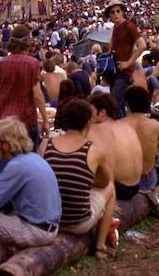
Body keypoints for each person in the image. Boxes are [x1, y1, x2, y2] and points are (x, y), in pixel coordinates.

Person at [0, 117, 61, 273]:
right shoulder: (33, 158)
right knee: (2, 212)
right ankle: (8, 258)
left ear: (6, 145)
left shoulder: (16, 166)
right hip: (49, 226)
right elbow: (0, 200)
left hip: (37, 230)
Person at [40, 99, 116, 259]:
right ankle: (100, 246)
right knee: (110, 188)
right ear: (88, 123)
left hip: (47, 218)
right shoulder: (94, 151)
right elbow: (104, 182)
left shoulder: (45, 145)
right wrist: (83, 178)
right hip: (77, 223)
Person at [0, 24, 49, 147]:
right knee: (28, 158)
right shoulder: (32, 64)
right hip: (25, 118)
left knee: (6, 156)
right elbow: (37, 95)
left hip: (4, 118)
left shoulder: (1, 64)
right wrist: (45, 120)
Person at [86, 92, 143, 201]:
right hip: (135, 186)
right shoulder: (127, 126)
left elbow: (107, 165)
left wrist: (110, 199)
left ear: (102, 112)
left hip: (118, 188)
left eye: (90, 111)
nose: (88, 115)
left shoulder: (100, 130)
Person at [121, 86, 159, 191]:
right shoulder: (154, 125)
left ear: (127, 105)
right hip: (146, 180)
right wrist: (154, 142)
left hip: (123, 180)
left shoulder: (118, 126)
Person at [104, 0, 146, 117]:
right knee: (119, 106)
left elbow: (142, 45)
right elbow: (111, 48)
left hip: (124, 72)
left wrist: (128, 63)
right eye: (112, 12)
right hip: (115, 72)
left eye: (118, 11)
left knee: (114, 105)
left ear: (122, 12)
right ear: (109, 15)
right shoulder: (115, 28)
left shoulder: (129, 26)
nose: (116, 13)